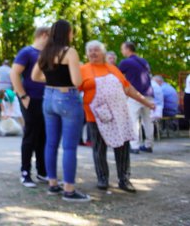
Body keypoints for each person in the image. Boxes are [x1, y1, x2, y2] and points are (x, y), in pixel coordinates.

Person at [79, 40, 155, 193]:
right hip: (95, 116)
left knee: (122, 148)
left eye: (96, 50)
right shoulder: (83, 70)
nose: (93, 53)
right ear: (87, 54)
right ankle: (102, 179)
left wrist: (145, 102)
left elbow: (128, 88)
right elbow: (74, 90)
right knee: (99, 149)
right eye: (90, 50)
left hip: (118, 115)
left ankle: (124, 180)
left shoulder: (113, 69)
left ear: (103, 53)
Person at [32, 19, 90, 202]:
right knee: (69, 146)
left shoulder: (45, 52)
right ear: (67, 33)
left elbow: (35, 76)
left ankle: (52, 184)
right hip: (67, 98)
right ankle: (69, 190)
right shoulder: (70, 52)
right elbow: (77, 81)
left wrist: (52, 81)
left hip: (48, 98)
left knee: (51, 143)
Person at [10, 26, 50, 188]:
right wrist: (23, 96)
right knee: (31, 136)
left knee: (43, 136)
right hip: (31, 99)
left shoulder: (47, 54)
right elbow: (14, 73)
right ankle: (25, 172)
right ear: (44, 35)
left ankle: (42, 171)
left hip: (46, 99)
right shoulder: (27, 52)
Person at [118, 41, 154, 154]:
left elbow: (118, 76)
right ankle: (149, 145)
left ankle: (134, 146)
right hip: (148, 94)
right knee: (148, 121)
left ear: (128, 49)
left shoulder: (125, 62)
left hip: (135, 95)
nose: (122, 51)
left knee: (133, 120)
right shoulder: (144, 61)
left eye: (122, 49)